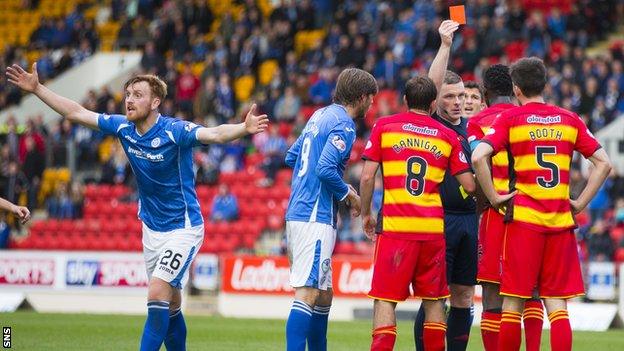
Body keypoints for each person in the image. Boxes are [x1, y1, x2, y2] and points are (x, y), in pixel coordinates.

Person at [6, 63, 268, 351]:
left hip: (183, 227)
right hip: (151, 230)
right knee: (171, 304)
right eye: (127, 94)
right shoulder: (123, 127)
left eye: (138, 95)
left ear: (155, 102)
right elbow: (76, 113)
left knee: (156, 291)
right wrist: (38, 88)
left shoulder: (173, 131)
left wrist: (243, 128)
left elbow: (214, 134)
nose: (129, 99)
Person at [472, 57, 612, 351]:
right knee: (557, 305)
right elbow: (603, 164)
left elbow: (478, 157)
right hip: (560, 222)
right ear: (545, 84)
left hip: (524, 222)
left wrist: (494, 196)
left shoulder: (511, 119)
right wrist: (581, 202)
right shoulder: (570, 119)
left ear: (516, 89)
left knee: (512, 301)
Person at [361, 75, 475, 351]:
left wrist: (366, 213)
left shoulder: (385, 126)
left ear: (404, 101)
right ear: (434, 103)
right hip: (433, 231)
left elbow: (366, 177)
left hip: (396, 230)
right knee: (435, 301)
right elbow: (470, 185)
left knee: (385, 300)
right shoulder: (448, 135)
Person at [284, 68, 378, 351]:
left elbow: (292, 156)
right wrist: (349, 194)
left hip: (303, 210)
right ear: (361, 97)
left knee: (324, 294)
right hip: (313, 215)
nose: (372, 105)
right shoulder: (344, 125)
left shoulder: (319, 115)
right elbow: (325, 168)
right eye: (371, 99)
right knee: (308, 292)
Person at [467, 64, 544, 351]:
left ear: (485, 93)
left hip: (494, 213)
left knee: (492, 293)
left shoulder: (477, 123)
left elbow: (478, 164)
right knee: (532, 290)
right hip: (531, 211)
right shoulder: (532, 117)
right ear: (514, 89)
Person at [414, 20, 478, 351]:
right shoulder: (434, 124)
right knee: (433, 296)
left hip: (469, 218)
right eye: (449, 96)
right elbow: (431, 83)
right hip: (439, 219)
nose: (456, 102)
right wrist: (445, 45)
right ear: (437, 100)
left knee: (464, 295)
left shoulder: (473, 130)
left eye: (462, 97)